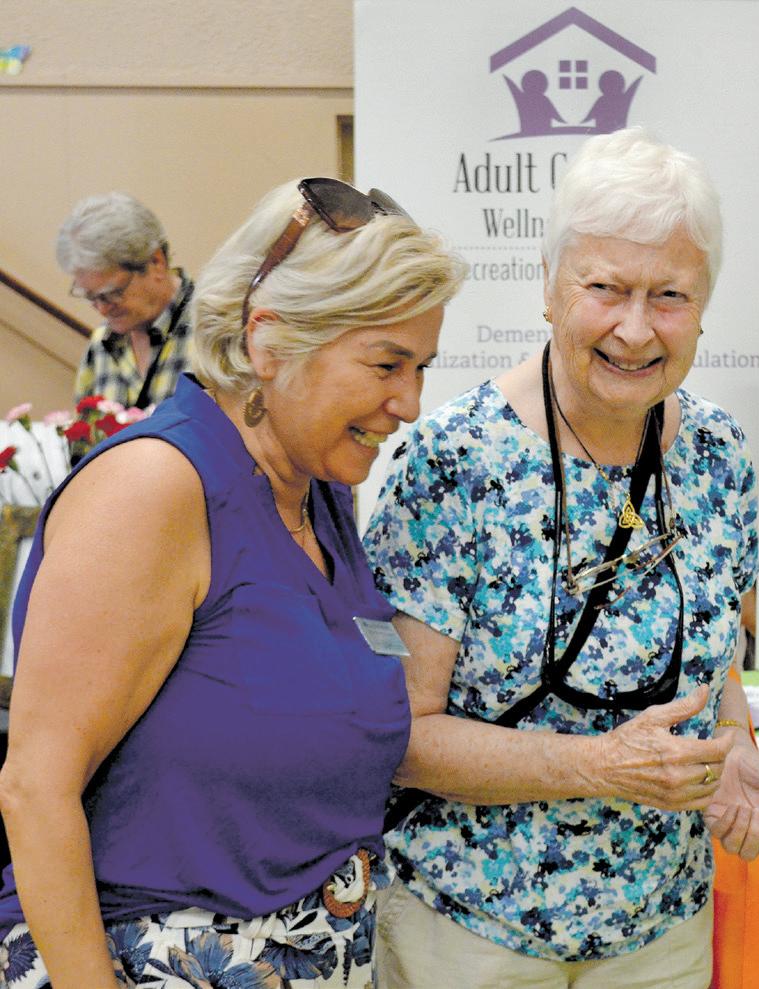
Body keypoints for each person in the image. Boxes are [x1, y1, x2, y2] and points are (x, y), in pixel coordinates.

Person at [363, 128, 759, 988]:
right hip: (473, 935)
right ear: (548, 285)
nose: (635, 329)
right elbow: (401, 737)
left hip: (663, 932)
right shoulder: (454, 462)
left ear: (704, 305)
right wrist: (600, 766)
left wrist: (730, 745)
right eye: (605, 288)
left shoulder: (717, 455)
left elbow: (716, 660)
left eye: (670, 295)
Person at [0, 177, 465, 988]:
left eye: (421, 366)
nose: (411, 403)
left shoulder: (317, 489)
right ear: (268, 341)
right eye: (387, 364)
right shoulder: (156, 487)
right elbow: (36, 788)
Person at [57, 192, 195, 408]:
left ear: (156, 262)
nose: (102, 309)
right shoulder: (101, 344)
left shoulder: (215, 330)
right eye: (91, 297)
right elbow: (85, 428)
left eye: (113, 293)